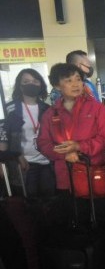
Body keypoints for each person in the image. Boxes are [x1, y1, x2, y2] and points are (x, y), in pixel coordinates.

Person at [37, 63, 105, 269]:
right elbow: (43, 143)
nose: (75, 84)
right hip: (67, 179)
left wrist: (81, 147)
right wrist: (64, 153)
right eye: (68, 80)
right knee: (75, 224)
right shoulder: (50, 114)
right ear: (56, 85)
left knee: (104, 223)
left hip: (95, 176)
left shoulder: (96, 108)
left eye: (78, 79)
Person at [0, 69, 55, 198]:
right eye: (26, 81)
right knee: (29, 201)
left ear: (41, 84)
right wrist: (14, 157)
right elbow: (5, 137)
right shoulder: (11, 108)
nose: (31, 84)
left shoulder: (47, 109)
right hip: (24, 162)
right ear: (20, 85)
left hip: (46, 160)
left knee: (50, 198)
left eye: (35, 81)